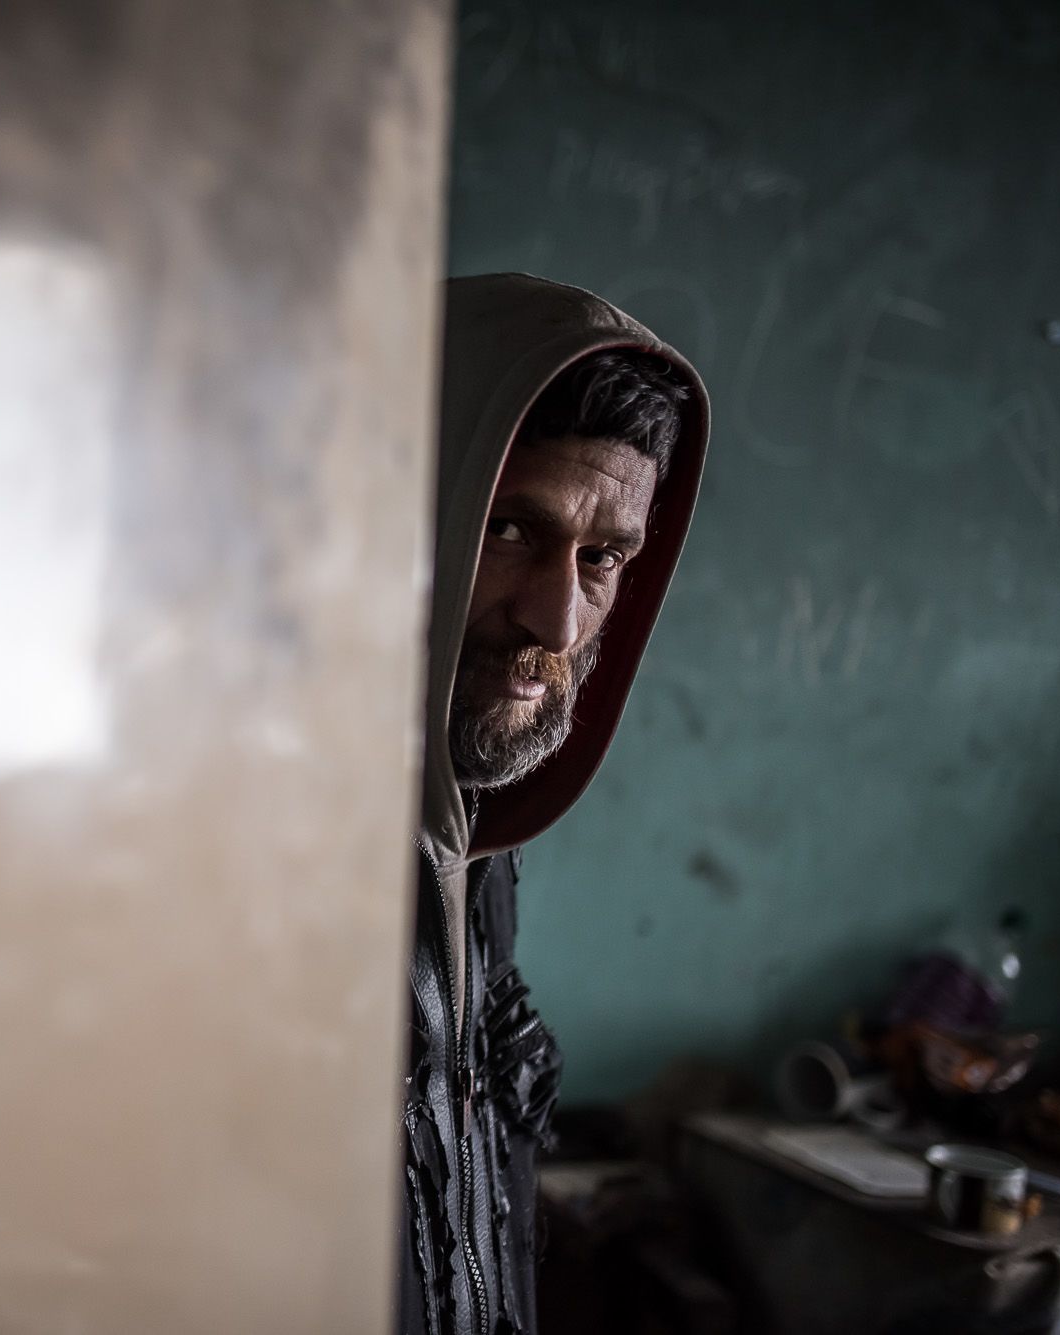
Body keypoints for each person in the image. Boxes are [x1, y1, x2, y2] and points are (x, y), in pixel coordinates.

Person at [397, 274, 709, 1335]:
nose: (557, 619)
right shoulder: (246, 861)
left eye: (602, 557)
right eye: (508, 531)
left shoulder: (482, 844)